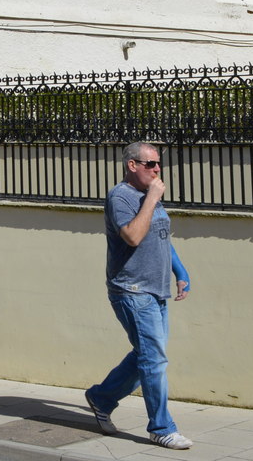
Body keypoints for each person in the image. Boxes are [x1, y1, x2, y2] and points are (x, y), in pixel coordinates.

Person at [84, 141, 193, 450]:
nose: (157, 169)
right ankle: (161, 427)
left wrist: (180, 271)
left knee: (147, 355)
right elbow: (132, 235)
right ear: (132, 165)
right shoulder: (121, 196)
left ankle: (101, 397)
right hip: (131, 289)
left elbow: (161, 236)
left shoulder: (149, 195)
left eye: (158, 164)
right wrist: (153, 198)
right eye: (150, 164)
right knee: (153, 358)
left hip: (155, 289)